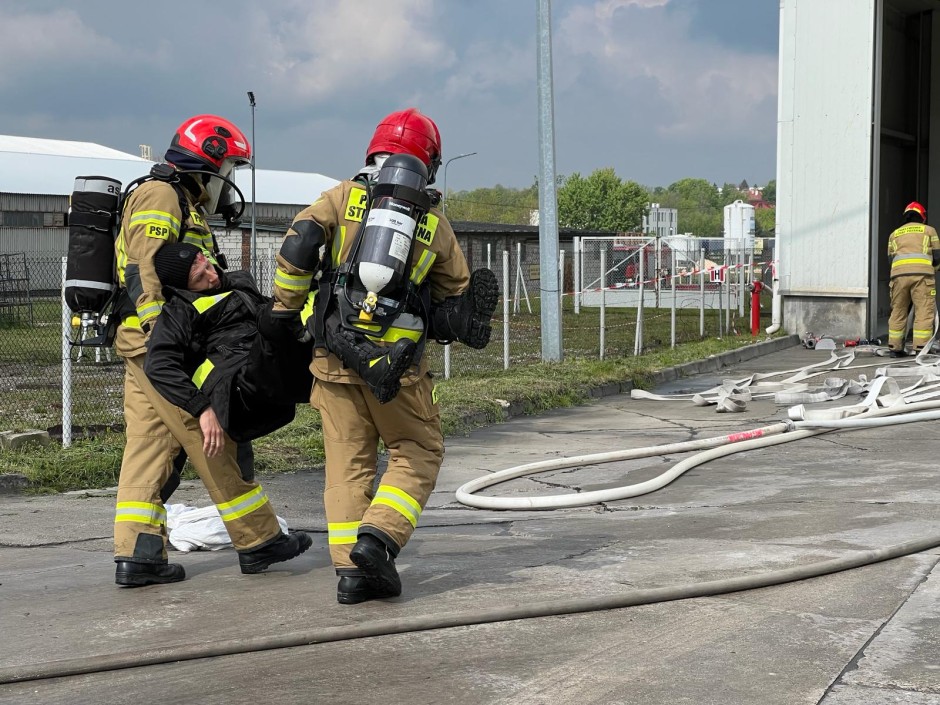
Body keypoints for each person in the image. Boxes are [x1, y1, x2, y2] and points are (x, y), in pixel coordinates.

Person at [268, 107, 499, 604]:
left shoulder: (338, 198)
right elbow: (454, 296)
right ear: (429, 164)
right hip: (398, 369)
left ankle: (351, 573)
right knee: (417, 452)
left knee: (347, 466)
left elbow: (299, 245)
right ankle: (379, 540)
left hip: (331, 364)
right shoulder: (431, 222)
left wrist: (285, 311)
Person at [112, 115, 310, 586]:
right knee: (210, 433)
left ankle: (138, 554)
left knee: (149, 446)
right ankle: (258, 538)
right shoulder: (160, 195)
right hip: (159, 342)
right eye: (229, 168)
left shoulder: (181, 201)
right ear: (207, 162)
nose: (230, 180)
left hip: (144, 341)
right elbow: (145, 269)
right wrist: (168, 340)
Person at [887, 201, 940, 357]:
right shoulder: (929, 231)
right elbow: (937, 256)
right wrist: (934, 268)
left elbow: (890, 259)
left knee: (898, 311)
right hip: (922, 277)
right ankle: (921, 348)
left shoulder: (894, 234)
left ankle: (894, 348)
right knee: (924, 311)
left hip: (898, 277)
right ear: (922, 216)